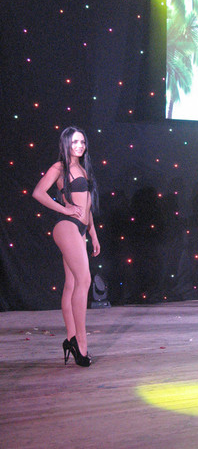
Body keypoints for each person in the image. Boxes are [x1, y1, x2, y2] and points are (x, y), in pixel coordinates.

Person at [32, 126, 100, 366]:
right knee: (84, 280)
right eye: (74, 142)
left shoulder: (83, 168)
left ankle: (71, 339)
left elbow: (87, 206)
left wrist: (93, 234)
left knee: (72, 284)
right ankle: (81, 344)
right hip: (66, 226)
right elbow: (38, 193)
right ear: (66, 144)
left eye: (82, 142)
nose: (79, 146)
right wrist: (65, 208)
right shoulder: (59, 167)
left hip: (80, 229)